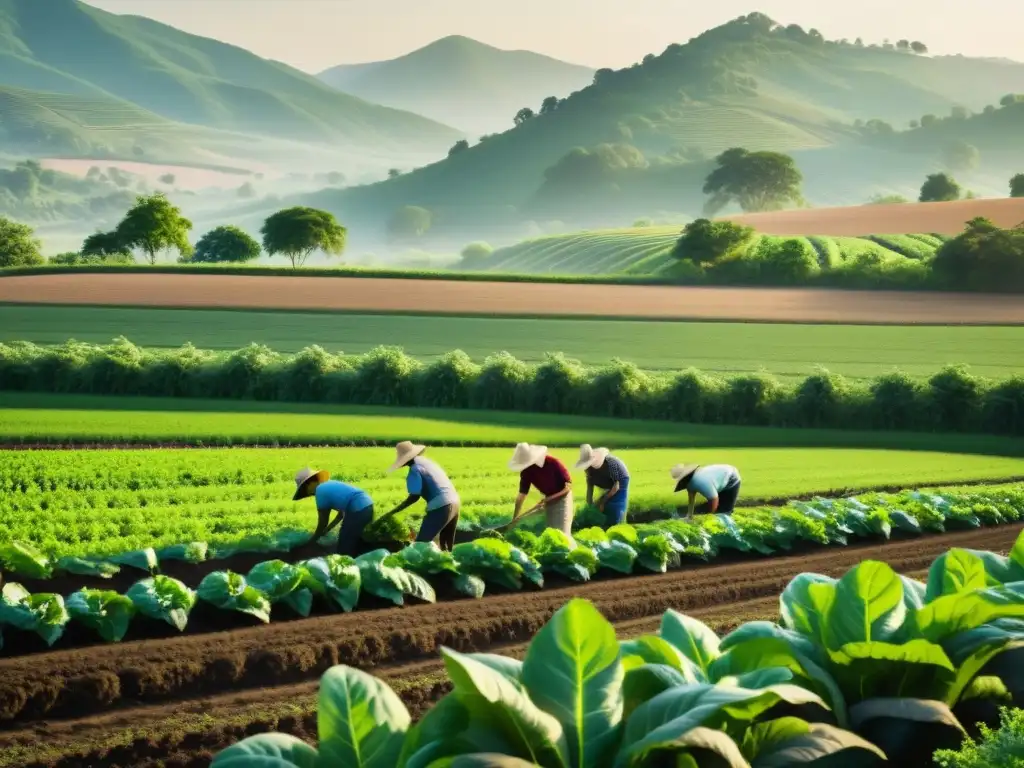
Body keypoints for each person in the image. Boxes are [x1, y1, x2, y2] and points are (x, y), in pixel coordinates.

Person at [377, 441, 461, 551]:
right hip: (455, 502)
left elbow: (414, 497)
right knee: (446, 546)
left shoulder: (415, 469)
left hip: (441, 506)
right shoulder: (428, 462)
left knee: (420, 546)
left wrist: (391, 512)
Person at [292, 467, 374, 556]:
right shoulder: (329, 485)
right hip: (367, 505)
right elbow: (341, 515)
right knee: (355, 539)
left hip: (357, 508)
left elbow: (323, 522)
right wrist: (327, 530)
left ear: (310, 484)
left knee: (344, 547)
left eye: (305, 490)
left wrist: (312, 541)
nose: (309, 494)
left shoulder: (320, 490)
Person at [502, 443, 574, 537]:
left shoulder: (553, 463)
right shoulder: (526, 471)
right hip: (548, 498)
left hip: (563, 497)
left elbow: (568, 487)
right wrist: (514, 520)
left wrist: (549, 499)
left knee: (562, 532)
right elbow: (521, 496)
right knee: (551, 530)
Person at [575, 444, 630, 528]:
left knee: (614, 505)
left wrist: (603, 502)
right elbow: (590, 487)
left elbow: (616, 486)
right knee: (599, 506)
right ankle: (605, 525)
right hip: (608, 483)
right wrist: (590, 505)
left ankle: (616, 524)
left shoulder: (611, 463)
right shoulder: (589, 471)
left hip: (620, 480)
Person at [671, 463, 742, 517]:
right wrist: (689, 515)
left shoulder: (701, 482)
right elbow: (691, 499)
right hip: (719, 477)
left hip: (731, 477)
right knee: (712, 506)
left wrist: (709, 516)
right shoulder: (690, 484)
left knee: (724, 511)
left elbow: (714, 499)